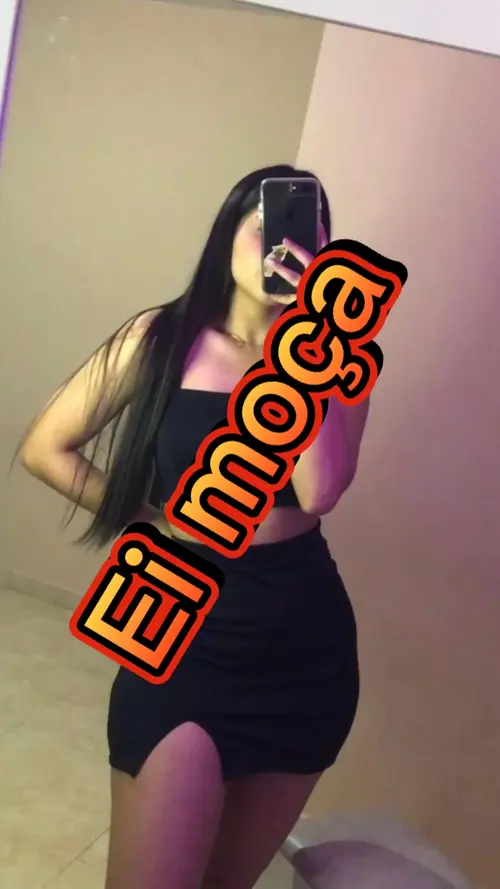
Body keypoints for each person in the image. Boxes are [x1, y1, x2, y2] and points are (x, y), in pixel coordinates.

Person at [18, 165, 370, 889]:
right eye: (264, 227)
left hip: (303, 640)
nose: (282, 248)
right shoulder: (161, 337)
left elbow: (321, 488)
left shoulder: (340, 360)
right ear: (226, 234)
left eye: (305, 234)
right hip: (182, 626)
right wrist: (149, 518)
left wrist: (309, 337)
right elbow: (45, 447)